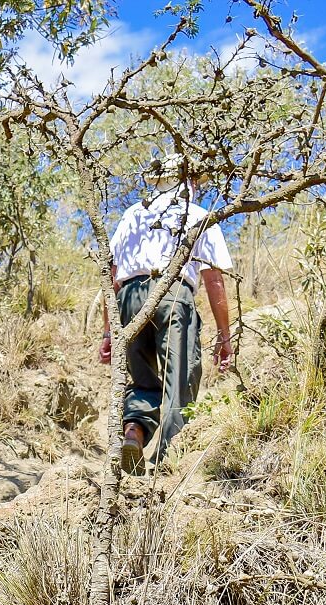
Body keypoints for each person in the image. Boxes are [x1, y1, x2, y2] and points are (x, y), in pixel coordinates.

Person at [99, 155, 235, 473]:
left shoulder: (132, 216)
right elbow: (213, 279)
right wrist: (225, 335)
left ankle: (134, 431)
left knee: (142, 378)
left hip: (129, 298)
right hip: (173, 294)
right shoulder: (198, 216)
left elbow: (111, 275)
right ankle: (168, 462)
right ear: (187, 180)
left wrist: (108, 330)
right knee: (181, 378)